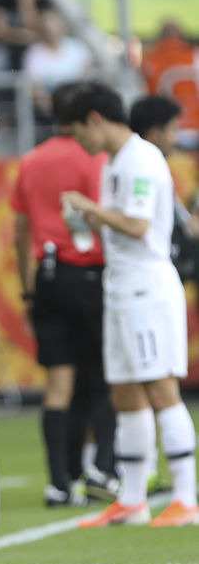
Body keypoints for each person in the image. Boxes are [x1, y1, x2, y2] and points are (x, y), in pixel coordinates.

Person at [60, 82, 199, 528]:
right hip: (121, 288)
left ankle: (186, 497)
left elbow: (138, 226)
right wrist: (88, 219)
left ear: (95, 120)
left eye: (78, 131)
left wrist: (90, 209)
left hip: (147, 289)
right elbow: (119, 229)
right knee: (125, 393)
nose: (79, 142)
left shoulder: (140, 159)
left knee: (160, 389)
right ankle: (134, 499)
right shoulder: (115, 162)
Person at [11, 84, 117, 507]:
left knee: (58, 385)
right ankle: (101, 469)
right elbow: (104, 223)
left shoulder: (32, 160)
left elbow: (20, 231)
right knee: (103, 379)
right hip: (90, 274)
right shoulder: (95, 157)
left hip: (48, 276)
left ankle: (59, 481)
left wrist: (27, 286)